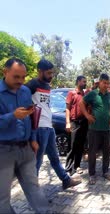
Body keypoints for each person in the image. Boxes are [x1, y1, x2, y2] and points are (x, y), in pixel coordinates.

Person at [0, 58, 49, 213]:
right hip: (3, 151)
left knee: (34, 188)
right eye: (16, 77)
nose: (21, 81)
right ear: (5, 72)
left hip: (26, 148)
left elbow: (30, 116)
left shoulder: (25, 91)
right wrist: (12, 116)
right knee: (2, 197)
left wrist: (33, 139)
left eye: (23, 77)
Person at [25, 59, 81, 190]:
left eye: (52, 73)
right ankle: (34, 191)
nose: (51, 76)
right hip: (39, 127)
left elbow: (45, 106)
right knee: (37, 161)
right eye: (49, 73)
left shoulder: (47, 86)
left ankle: (66, 180)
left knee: (54, 157)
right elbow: (25, 103)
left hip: (49, 127)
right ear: (40, 71)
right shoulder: (31, 85)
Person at [80, 73, 110, 185]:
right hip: (94, 129)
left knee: (107, 152)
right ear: (99, 82)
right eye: (104, 83)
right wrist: (87, 116)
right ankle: (91, 174)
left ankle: (105, 171)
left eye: (108, 83)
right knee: (92, 152)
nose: (106, 85)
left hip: (106, 129)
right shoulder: (93, 94)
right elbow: (81, 103)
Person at [65, 75, 88, 175]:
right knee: (72, 146)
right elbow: (67, 109)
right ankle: (68, 168)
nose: (85, 83)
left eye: (85, 81)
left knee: (80, 145)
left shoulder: (85, 94)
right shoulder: (72, 93)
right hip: (74, 122)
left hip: (83, 122)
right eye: (83, 81)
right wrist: (68, 123)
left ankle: (77, 166)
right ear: (78, 82)